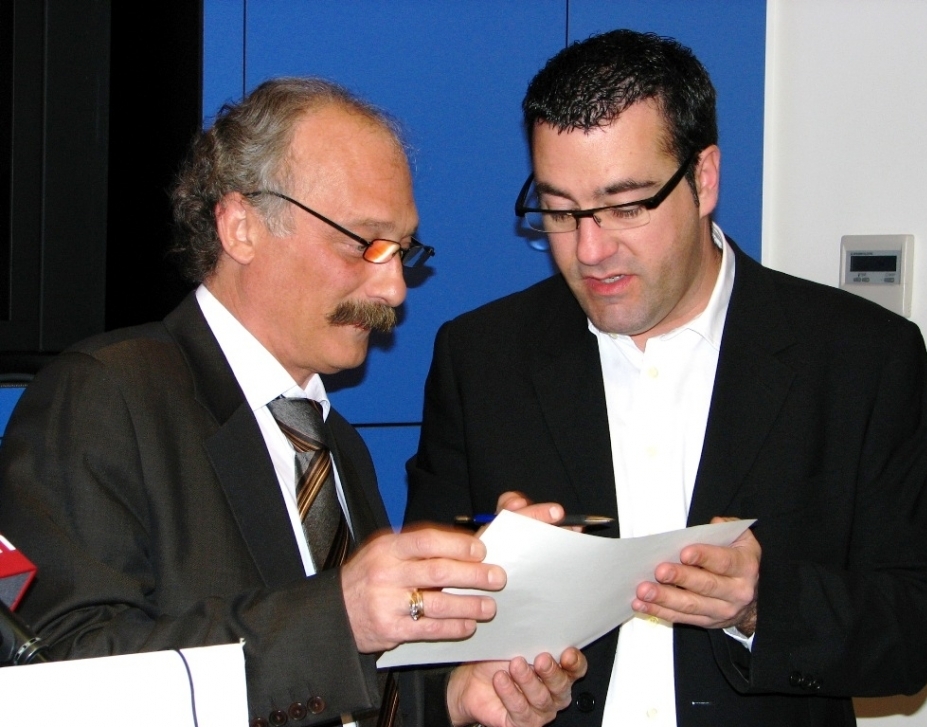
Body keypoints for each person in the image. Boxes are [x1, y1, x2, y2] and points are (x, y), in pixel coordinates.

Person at [405, 30, 927, 727]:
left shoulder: (859, 357)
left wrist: (763, 603)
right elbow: (419, 618)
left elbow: (920, 620)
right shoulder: (480, 359)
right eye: (560, 210)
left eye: (626, 205)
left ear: (704, 179)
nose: (590, 249)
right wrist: (491, 591)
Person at [0, 77, 586, 727]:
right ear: (242, 227)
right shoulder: (107, 396)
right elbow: (59, 675)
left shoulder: (336, 445)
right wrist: (341, 613)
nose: (394, 289)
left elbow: (334, 690)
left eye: (402, 251)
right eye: (364, 243)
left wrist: (454, 697)